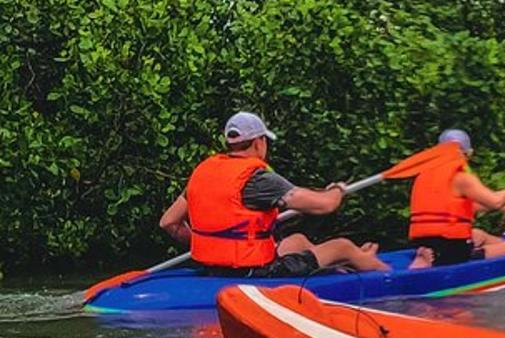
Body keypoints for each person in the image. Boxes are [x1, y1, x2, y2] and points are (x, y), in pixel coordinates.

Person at [160, 111, 388, 276]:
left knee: (297, 240)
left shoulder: (204, 172)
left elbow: (169, 222)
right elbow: (325, 205)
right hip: (255, 273)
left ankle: (341, 264)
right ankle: (387, 273)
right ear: (259, 142)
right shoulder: (259, 179)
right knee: (342, 246)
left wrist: (208, 247)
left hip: (211, 268)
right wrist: (337, 189)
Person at [408, 129, 505, 266]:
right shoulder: (462, 178)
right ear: (468, 153)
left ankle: (504, 245)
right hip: (450, 251)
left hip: (425, 243)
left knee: (478, 234)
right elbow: (496, 201)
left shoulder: (424, 175)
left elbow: (463, 208)